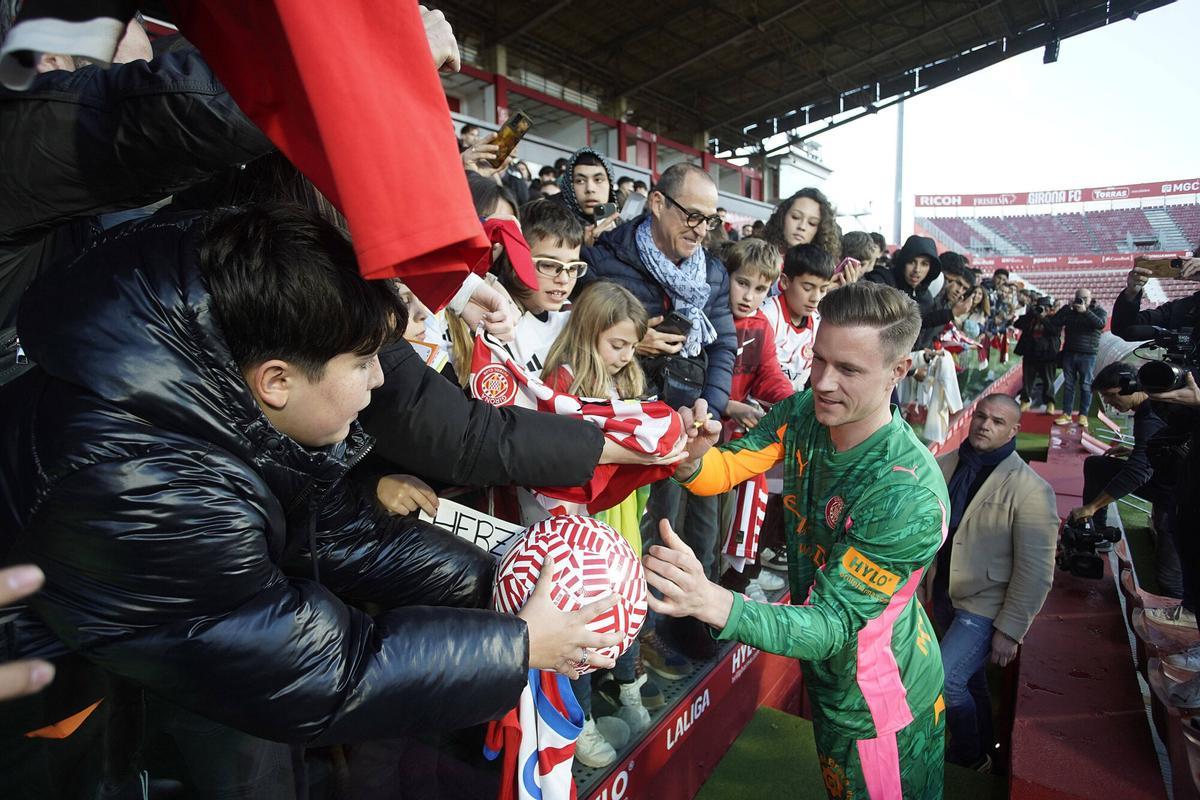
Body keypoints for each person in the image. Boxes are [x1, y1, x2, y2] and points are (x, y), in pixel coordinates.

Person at [0, 205, 620, 793]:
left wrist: (501, 579)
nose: (380, 382)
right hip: (45, 716)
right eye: (366, 361)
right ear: (276, 380)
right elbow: (324, 675)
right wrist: (516, 644)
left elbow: (334, 529)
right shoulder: (144, 487)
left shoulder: (207, 390)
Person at [646, 281, 950, 799]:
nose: (825, 382)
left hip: (877, 703)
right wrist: (692, 455)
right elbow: (728, 467)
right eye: (819, 360)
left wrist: (711, 600)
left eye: (850, 370)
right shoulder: (807, 409)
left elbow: (832, 627)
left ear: (898, 372)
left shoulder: (907, 497)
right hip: (831, 681)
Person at [580, 161, 736, 662]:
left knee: (700, 532)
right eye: (691, 215)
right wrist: (631, 337)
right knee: (646, 536)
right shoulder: (608, 258)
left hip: (691, 425)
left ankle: (691, 628)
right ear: (657, 202)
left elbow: (725, 345)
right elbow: (579, 326)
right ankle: (636, 641)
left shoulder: (711, 270)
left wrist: (709, 407)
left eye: (709, 220)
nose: (699, 229)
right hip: (630, 425)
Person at [541, 281, 654, 766]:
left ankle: (628, 691)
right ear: (589, 332)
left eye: (632, 346)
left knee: (626, 614)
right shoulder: (560, 385)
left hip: (619, 523)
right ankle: (580, 723)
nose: (627, 356)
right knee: (586, 631)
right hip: (576, 534)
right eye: (619, 345)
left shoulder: (623, 382)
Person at [927, 394, 1058, 770]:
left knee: (944, 680)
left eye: (997, 421)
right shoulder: (946, 465)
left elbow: (1036, 570)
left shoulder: (1031, 489)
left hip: (985, 606)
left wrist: (1011, 630)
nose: (985, 425)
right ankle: (988, 749)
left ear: (1014, 430)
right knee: (972, 682)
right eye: (981, 416)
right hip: (945, 593)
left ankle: (968, 755)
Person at [1110, 256, 1200, 700]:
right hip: (1185, 440)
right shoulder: (1187, 311)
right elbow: (1127, 328)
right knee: (1185, 530)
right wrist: (1132, 291)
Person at [717, 238, 796, 600]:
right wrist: (730, 406)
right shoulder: (710, 312)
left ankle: (737, 575)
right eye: (742, 283)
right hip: (700, 429)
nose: (749, 295)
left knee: (749, 496)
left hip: (733, 433)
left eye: (760, 288)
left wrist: (797, 403)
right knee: (701, 520)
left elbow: (769, 374)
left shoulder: (760, 324)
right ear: (726, 276)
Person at [1070, 362, 1180, 599]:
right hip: (1171, 482)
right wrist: (1136, 449)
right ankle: (1097, 535)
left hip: (1180, 497)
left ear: (1131, 387)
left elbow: (1139, 472)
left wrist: (1092, 506)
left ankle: (1184, 624)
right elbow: (1170, 444)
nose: (1109, 403)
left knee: (1170, 579)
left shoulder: (1150, 415)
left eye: (1110, 395)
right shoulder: (1152, 408)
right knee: (1098, 465)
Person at [761, 243, 834, 392]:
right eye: (807, 288)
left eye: (823, 289)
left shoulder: (819, 323)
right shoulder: (767, 316)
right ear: (785, 282)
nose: (816, 298)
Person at [1051, 288, 1107, 427]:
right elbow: (1054, 323)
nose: (1082, 300)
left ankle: (1083, 415)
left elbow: (1100, 324)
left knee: (1086, 385)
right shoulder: (1070, 312)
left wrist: (1085, 311)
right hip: (1069, 352)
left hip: (1088, 354)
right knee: (1069, 385)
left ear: (1090, 298)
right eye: (1079, 297)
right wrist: (1066, 308)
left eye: (1085, 298)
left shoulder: (1099, 311)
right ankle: (1067, 414)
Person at [553, 147, 621, 245]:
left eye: (598, 180)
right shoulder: (550, 224)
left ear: (610, 184)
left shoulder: (623, 228)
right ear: (569, 185)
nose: (590, 189)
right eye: (580, 181)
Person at [761, 187, 841, 259]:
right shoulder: (758, 258)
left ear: (820, 230)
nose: (802, 226)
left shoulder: (823, 272)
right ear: (782, 216)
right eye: (795, 217)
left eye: (812, 223)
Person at [1013, 298, 1061, 414]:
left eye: (1044, 307)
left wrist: (1042, 318)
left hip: (1047, 355)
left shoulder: (1054, 319)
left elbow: (1054, 331)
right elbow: (1017, 324)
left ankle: (1050, 403)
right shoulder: (1031, 319)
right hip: (1031, 352)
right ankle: (1025, 401)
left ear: (1049, 308)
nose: (1041, 310)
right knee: (1028, 380)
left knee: (1048, 380)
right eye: (1040, 307)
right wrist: (1032, 314)